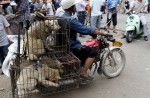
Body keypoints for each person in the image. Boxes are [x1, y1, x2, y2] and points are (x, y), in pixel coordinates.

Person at [60, 0, 108, 81]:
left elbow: (83, 27)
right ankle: (84, 73)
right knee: (93, 52)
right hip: (72, 45)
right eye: (74, 6)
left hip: (64, 44)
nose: (75, 7)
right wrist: (102, 33)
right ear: (71, 7)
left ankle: (80, 66)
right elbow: (84, 29)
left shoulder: (61, 17)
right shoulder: (71, 20)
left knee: (84, 47)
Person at [0, 6, 12, 74]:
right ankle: (3, 68)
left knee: (7, 55)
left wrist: (10, 38)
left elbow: (7, 27)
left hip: (4, 41)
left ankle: (10, 68)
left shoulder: (1, 17)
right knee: (0, 57)